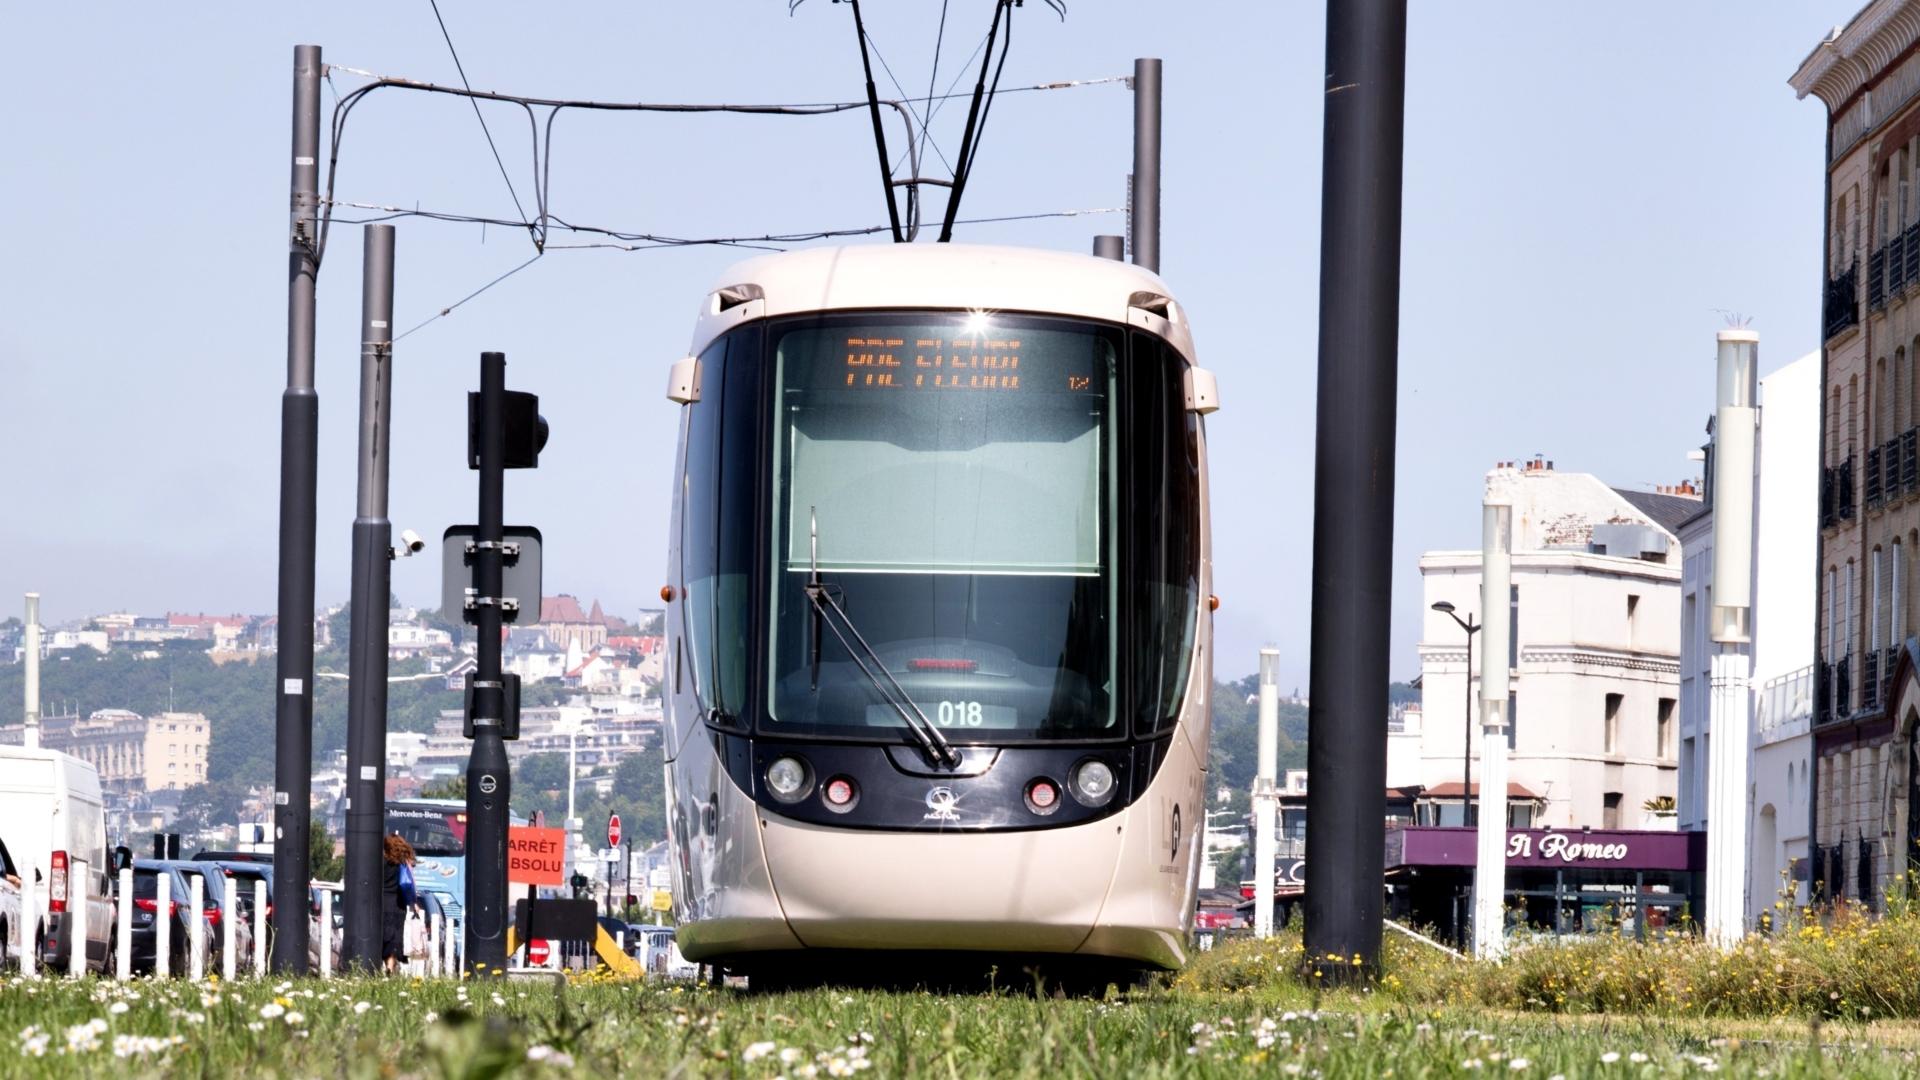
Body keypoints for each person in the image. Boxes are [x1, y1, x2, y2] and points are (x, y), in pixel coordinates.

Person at [381, 834, 418, 973]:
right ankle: (390, 967)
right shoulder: (403, 863)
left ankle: (380, 965)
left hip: (381, 902)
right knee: (394, 938)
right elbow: (410, 883)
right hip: (397, 903)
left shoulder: (381, 861)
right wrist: (413, 902)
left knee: (381, 935)